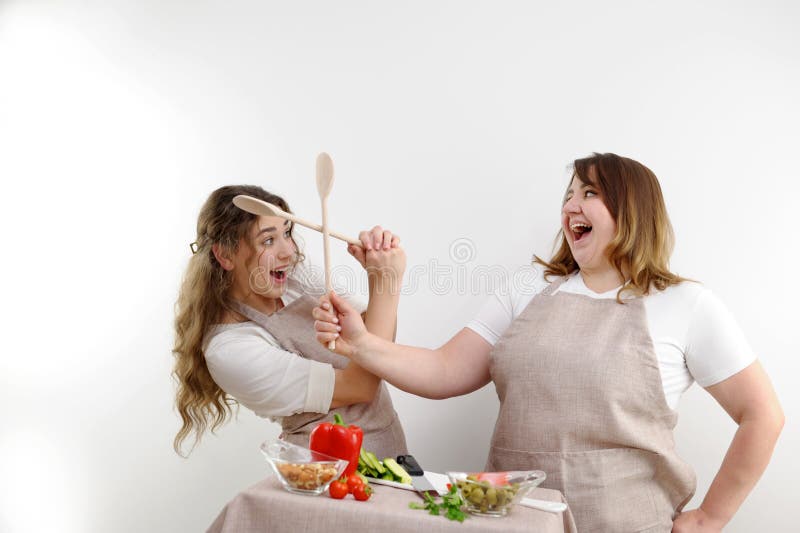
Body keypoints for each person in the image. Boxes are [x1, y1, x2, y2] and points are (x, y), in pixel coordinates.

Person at [312, 153, 784, 532]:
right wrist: (358, 343)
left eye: (590, 193)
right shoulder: (527, 287)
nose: (571, 206)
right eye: (569, 194)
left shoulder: (686, 305)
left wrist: (710, 518)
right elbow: (444, 370)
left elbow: (763, 415)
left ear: (633, 210)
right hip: (516, 521)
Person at [172, 185, 408, 459]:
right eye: (268, 240)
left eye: (286, 232)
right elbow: (361, 386)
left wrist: (380, 277)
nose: (289, 252)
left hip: (391, 449)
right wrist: (386, 283)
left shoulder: (295, 280)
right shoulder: (229, 349)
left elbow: (380, 339)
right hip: (324, 473)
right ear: (225, 255)